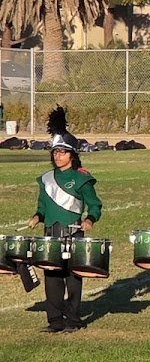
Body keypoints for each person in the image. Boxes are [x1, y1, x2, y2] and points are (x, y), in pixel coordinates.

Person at [26, 108, 102, 333]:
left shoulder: (82, 178)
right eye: (55, 152)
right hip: (51, 232)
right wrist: (37, 216)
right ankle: (55, 320)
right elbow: (42, 206)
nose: (57, 156)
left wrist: (89, 220)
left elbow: (95, 205)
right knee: (52, 277)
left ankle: (74, 319)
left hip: (73, 233)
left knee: (72, 278)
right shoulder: (46, 179)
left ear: (72, 154)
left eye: (62, 152)